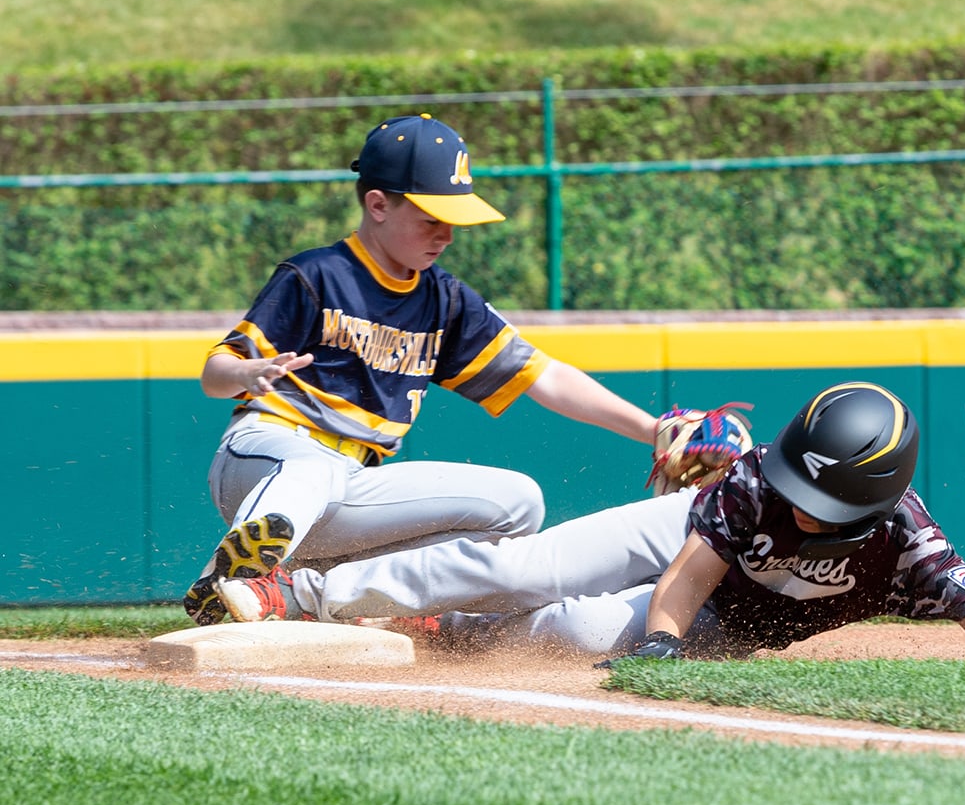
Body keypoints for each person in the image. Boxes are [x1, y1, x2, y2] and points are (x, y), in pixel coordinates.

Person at [182, 113, 663, 626]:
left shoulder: (444, 300)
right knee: (314, 469)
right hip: (266, 458)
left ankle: (344, 593)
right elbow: (215, 373)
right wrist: (246, 374)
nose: (446, 235)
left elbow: (545, 377)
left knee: (520, 502)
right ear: (378, 205)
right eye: (431, 218)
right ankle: (229, 577)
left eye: (452, 220)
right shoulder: (317, 274)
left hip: (352, 488)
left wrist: (655, 430)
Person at [215, 382, 965, 660]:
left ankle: (450, 628)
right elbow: (689, 574)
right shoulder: (756, 483)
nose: (799, 497)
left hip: (738, 620)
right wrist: (661, 642)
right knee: (526, 569)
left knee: (572, 632)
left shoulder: (906, 541)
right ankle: (301, 592)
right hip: (691, 540)